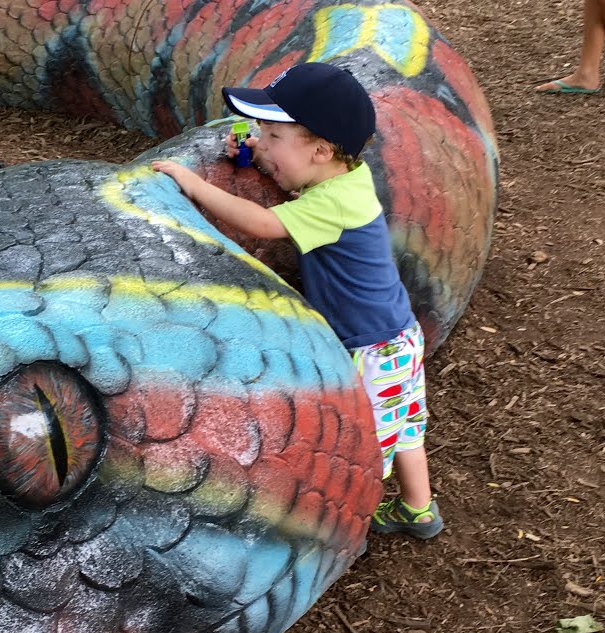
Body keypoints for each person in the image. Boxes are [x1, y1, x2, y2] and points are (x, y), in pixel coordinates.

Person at [152, 63, 443, 540]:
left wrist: (195, 184)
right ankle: (419, 508)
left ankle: (345, 527)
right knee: (406, 428)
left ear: (321, 150)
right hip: (397, 335)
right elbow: (295, 178)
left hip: (370, 346)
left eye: (272, 136)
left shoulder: (332, 203)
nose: (262, 143)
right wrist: (254, 155)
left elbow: (263, 223)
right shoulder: (345, 178)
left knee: (365, 442)